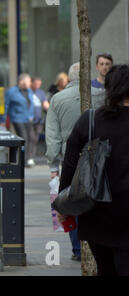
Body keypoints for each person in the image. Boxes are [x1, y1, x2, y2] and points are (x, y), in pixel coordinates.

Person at [57, 64, 129, 275]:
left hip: (97, 210)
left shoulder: (90, 120)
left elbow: (69, 163)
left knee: (105, 268)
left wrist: (63, 205)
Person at [45, 62, 105, 262]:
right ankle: (95, 244)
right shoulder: (101, 95)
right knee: (97, 198)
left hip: (70, 158)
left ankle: (78, 248)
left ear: (69, 79)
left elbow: (52, 136)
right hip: (99, 157)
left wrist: (53, 166)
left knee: (72, 198)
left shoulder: (57, 99)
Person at [0, 73, 34, 167]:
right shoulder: (11, 92)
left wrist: (32, 115)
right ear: (22, 81)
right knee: (23, 137)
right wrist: (3, 120)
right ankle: (23, 159)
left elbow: (31, 104)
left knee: (31, 137)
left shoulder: (30, 91)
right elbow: (6, 105)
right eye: (28, 81)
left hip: (28, 118)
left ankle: (29, 157)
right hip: (17, 118)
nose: (30, 83)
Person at [27, 77, 49, 167]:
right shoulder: (28, 92)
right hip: (29, 119)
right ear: (31, 83)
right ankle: (29, 157)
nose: (37, 86)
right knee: (30, 138)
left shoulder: (41, 93)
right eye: (36, 84)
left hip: (38, 120)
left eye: (39, 84)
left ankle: (31, 157)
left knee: (35, 139)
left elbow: (45, 104)